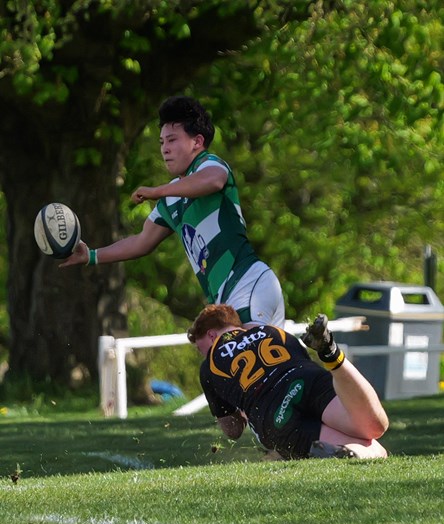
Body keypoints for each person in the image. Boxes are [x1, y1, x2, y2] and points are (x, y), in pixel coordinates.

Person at [60, 96, 285, 328]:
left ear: (197, 142)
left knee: (240, 351)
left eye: (172, 140)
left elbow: (214, 180)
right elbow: (141, 242)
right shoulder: (171, 199)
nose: (164, 149)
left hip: (246, 282)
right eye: (161, 142)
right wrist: (91, 256)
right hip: (231, 296)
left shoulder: (208, 163)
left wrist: (157, 191)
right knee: (261, 354)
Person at [187, 304, 389, 460]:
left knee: (375, 451)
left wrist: (240, 411)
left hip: (275, 415)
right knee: (375, 428)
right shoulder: (272, 330)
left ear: (211, 335)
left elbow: (233, 430)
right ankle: (332, 355)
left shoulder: (209, 366)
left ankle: (345, 451)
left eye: (199, 347)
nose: (201, 353)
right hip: (305, 380)